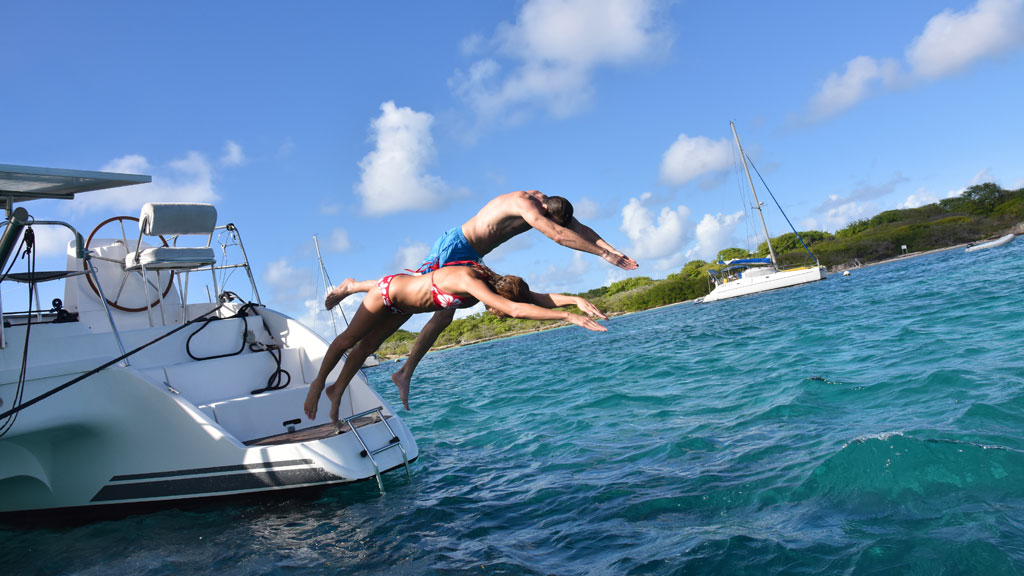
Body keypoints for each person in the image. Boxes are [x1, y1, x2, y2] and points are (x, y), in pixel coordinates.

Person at [325, 190, 637, 406]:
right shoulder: (526, 205)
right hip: (456, 247)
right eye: (550, 222)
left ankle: (405, 372)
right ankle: (354, 288)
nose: (554, 227)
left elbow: (576, 228)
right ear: (544, 213)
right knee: (415, 297)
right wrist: (600, 257)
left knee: (446, 312)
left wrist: (611, 249)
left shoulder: (552, 205)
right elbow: (557, 236)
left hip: (473, 252)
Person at [306, 263, 608, 422]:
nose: (499, 314)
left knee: (367, 348)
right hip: (386, 293)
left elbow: (529, 300)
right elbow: (515, 308)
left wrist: (573, 300)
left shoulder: (492, 282)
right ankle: (319, 384)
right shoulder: (471, 282)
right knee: (348, 340)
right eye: (498, 307)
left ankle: (336, 393)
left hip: (402, 306)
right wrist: (566, 318)